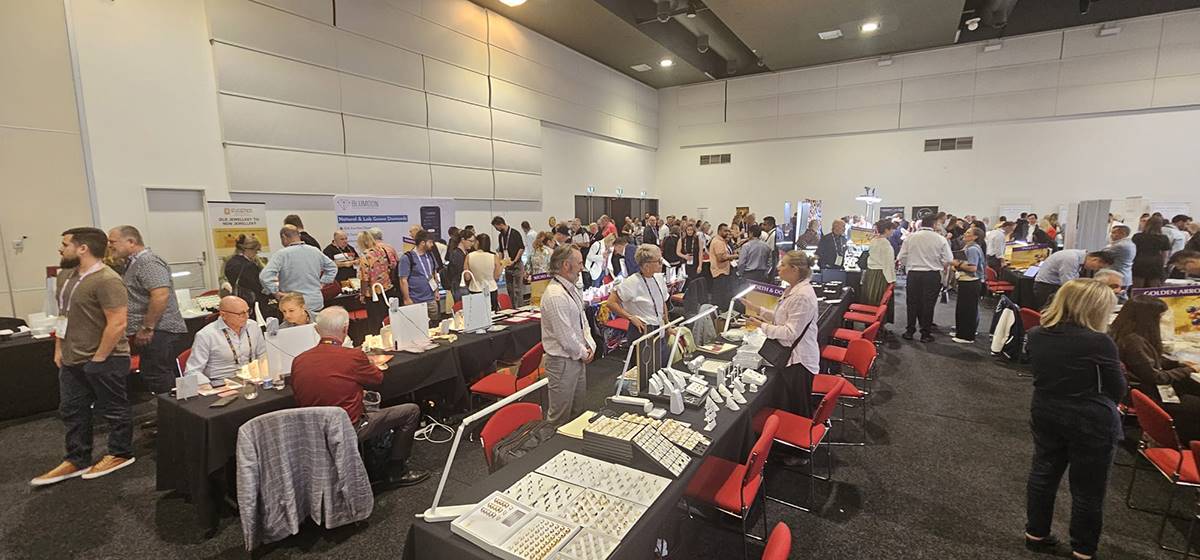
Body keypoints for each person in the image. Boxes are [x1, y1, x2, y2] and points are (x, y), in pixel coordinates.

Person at [1023, 279, 1124, 560]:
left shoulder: (1036, 334)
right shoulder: (1100, 342)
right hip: (1091, 417)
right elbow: (1118, 389)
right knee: (1088, 489)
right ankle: (1083, 549)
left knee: (1043, 472)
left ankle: (1036, 534)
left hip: (1045, 408)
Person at [31, 228, 134, 486]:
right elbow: (63, 315)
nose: (61, 248)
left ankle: (120, 453)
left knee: (113, 408)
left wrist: (99, 359)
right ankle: (77, 458)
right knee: (72, 410)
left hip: (106, 357)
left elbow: (117, 323)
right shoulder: (65, 276)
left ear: (83, 248)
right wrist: (59, 348)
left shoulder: (108, 280)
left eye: (65, 244)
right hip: (72, 357)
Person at [291, 307, 430, 488]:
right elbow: (377, 379)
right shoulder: (352, 356)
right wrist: (369, 362)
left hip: (313, 429)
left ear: (317, 330)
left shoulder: (299, 360)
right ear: (345, 329)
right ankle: (396, 472)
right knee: (411, 411)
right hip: (348, 427)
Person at [106, 225, 187, 394]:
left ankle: (171, 406)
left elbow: (160, 296)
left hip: (160, 330)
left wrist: (147, 327)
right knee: (152, 373)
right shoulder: (132, 264)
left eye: (113, 242)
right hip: (153, 331)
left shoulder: (148, 262)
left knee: (158, 375)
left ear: (131, 242)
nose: (109, 246)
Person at [742, 251, 820, 424]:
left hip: (799, 361)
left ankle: (798, 437)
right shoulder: (792, 289)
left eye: (783, 264)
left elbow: (790, 332)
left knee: (797, 410)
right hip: (792, 357)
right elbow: (782, 317)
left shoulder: (802, 296)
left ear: (794, 269)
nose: (778, 268)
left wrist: (761, 326)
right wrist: (757, 309)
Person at [1111, 296, 1200, 443]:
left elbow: (1147, 363)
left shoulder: (1125, 335)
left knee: (1191, 387)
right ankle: (1185, 440)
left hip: (1140, 390)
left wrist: (1180, 364)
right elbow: (1157, 377)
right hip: (1150, 394)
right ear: (1147, 318)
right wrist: (1188, 370)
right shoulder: (1134, 342)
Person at [540, 246, 596, 425]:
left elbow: (582, 322)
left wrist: (590, 345)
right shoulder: (555, 295)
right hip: (562, 363)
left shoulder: (570, 289)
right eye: (579, 263)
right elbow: (565, 337)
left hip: (577, 358)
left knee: (578, 413)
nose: (582, 268)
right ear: (566, 265)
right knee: (559, 417)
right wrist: (584, 353)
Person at [897, 214, 953, 343]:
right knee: (928, 304)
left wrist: (909, 264)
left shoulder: (910, 238)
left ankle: (910, 331)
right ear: (934, 224)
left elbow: (901, 257)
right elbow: (949, 259)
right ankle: (925, 334)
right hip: (932, 275)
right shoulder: (940, 239)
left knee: (912, 303)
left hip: (913, 274)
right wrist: (939, 263)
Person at [184, 296, 267, 382]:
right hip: (221, 382)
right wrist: (208, 386)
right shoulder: (206, 335)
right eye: (241, 314)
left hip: (253, 379)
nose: (247, 316)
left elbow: (263, 355)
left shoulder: (253, 326)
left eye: (248, 311)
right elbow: (192, 371)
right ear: (223, 315)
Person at [260, 226, 337, 312]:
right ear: (299, 235)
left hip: (293, 303)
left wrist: (275, 292)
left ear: (284, 237)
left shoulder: (282, 254)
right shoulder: (315, 251)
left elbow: (265, 276)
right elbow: (332, 267)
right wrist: (323, 283)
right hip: (315, 301)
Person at [608, 244, 670, 348]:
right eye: (658, 261)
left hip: (659, 329)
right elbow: (611, 303)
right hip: (642, 331)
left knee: (662, 357)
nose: (661, 264)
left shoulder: (659, 278)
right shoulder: (632, 282)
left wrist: (668, 325)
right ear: (646, 265)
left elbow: (662, 303)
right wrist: (630, 317)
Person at [1032, 250, 1114, 310]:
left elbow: (1074, 279)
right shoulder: (1071, 259)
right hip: (1047, 287)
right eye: (1099, 267)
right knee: (1050, 313)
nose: (1096, 269)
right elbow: (1068, 283)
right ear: (1095, 259)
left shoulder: (1078, 258)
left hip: (1052, 285)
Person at [951, 227, 986, 344]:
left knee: (967, 309)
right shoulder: (969, 247)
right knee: (963, 308)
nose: (965, 234)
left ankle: (966, 336)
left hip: (970, 282)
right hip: (966, 281)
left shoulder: (972, 249)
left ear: (975, 237)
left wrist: (957, 264)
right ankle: (961, 331)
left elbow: (972, 268)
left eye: (968, 233)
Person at [398, 230, 442, 323]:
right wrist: (407, 299)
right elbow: (403, 280)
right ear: (422, 243)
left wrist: (436, 291)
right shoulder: (407, 258)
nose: (432, 245)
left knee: (435, 325)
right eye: (430, 242)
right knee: (418, 325)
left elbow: (433, 273)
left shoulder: (430, 255)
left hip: (431, 298)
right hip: (415, 300)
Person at [356, 231, 393, 333]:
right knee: (387, 318)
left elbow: (364, 278)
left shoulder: (365, 256)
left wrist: (362, 294)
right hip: (386, 288)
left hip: (373, 292)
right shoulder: (382, 251)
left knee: (375, 321)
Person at [861, 219, 896, 318]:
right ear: (886, 230)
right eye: (891, 229)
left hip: (871, 273)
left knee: (870, 298)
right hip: (880, 275)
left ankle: (868, 320)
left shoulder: (873, 240)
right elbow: (888, 264)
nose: (892, 231)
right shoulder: (885, 244)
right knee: (878, 299)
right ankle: (877, 323)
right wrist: (892, 280)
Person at [224, 234, 265, 311]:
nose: (256, 254)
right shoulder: (249, 266)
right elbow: (258, 287)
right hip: (252, 303)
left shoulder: (230, 262)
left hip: (236, 301)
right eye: (256, 251)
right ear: (248, 249)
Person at [493, 216, 526, 308]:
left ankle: (520, 309)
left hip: (516, 264)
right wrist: (500, 261)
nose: (496, 229)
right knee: (510, 289)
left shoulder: (515, 233)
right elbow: (501, 250)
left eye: (496, 227)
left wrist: (515, 260)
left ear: (500, 224)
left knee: (517, 289)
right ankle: (512, 308)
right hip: (507, 265)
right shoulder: (501, 236)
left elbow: (521, 248)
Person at [1132, 216, 1173, 288]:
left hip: (1139, 261)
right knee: (1154, 287)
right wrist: (1164, 265)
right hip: (1156, 263)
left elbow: (1133, 250)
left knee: (1137, 287)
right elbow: (1165, 254)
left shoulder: (1137, 236)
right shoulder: (1163, 238)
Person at [465, 233, 502, 310]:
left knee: (477, 313)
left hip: (475, 289)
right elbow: (496, 276)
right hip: (491, 289)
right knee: (492, 314)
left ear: (477, 242)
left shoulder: (469, 256)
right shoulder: (494, 257)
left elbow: (467, 277)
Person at [708, 224, 736, 309]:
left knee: (722, 294)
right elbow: (720, 258)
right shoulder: (718, 242)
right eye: (725, 231)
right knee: (719, 295)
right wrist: (734, 256)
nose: (727, 233)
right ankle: (719, 310)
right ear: (719, 231)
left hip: (723, 270)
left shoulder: (722, 241)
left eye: (728, 231)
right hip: (720, 271)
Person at [1103, 224, 1134, 293]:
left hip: (1117, 277)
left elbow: (1102, 254)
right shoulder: (1131, 244)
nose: (1111, 235)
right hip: (1126, 276)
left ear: (1122, 234)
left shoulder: (1119, 245)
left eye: (1114, 232)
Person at [443, 231, 471, 305]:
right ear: (463, 240)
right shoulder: (456, 254)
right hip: (459, 286)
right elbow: (458, 272)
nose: (472, 243)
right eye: (470, 241)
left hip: (463, 285)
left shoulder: (465, 252)